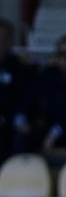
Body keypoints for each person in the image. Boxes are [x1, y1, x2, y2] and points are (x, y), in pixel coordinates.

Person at [0, 18, 35, 162]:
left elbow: (25, 100)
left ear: (11, 42)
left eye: (4, 38)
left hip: (10, 123)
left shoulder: (20, 69)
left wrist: (8, 117)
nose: (0, 43)